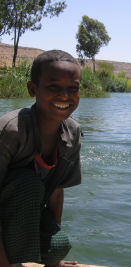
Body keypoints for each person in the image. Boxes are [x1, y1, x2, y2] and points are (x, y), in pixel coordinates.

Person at [0, 50, 82, 267]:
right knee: (27, 183)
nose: (64, 95)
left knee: (59, 246)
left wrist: (54, 261)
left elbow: (56, 192)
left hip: (24, 216)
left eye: (73, 88)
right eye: (53, 87)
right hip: (5, 213)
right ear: (32, 89)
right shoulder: (12, 130)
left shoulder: (72, 133)